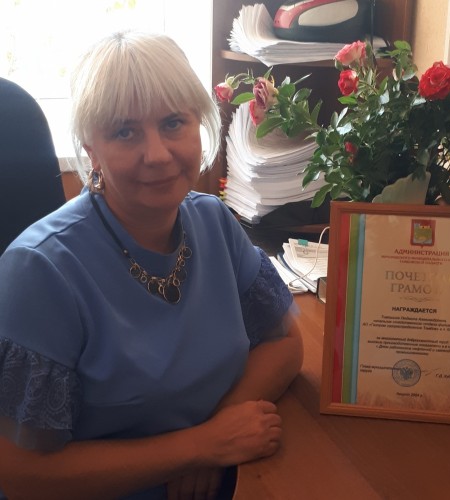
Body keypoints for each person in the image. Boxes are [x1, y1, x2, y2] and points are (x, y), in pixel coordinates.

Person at [0, 31, 303, 499]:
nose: (158, 155)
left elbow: (284, 344)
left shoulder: (213, 220)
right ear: (92, 149)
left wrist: (221, 429)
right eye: (125, 132)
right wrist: (196, 448)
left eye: (173, 122)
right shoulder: (39, 271)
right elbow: (19, 473)